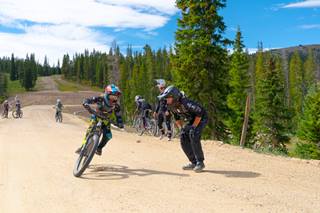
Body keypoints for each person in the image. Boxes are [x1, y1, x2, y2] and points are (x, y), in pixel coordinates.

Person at [158, 85, 208, 172]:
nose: (167, 100)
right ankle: (193, 162)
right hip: (192, 119)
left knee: (193, 134)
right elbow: (176, 117)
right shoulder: (170, 105)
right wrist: (181, 128)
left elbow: (199, 113)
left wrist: (193, 127)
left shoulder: (185, 102)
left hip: (201, 117)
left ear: (174, 96)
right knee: (183, 137)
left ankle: (200, 162)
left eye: (168, 98)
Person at [75, 84, 124, 156]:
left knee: (108, 136)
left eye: (116, 98)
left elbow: (119, 116)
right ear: (107, 94)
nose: (113, 99)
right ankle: (83, 147)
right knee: (89, 130)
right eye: (112, 97)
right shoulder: (100, 98)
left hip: (106, 121)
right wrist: (86, 103)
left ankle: (99, 148)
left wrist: (120, 123)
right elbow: (89, 100)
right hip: (96, 116)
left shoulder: (116, 106)